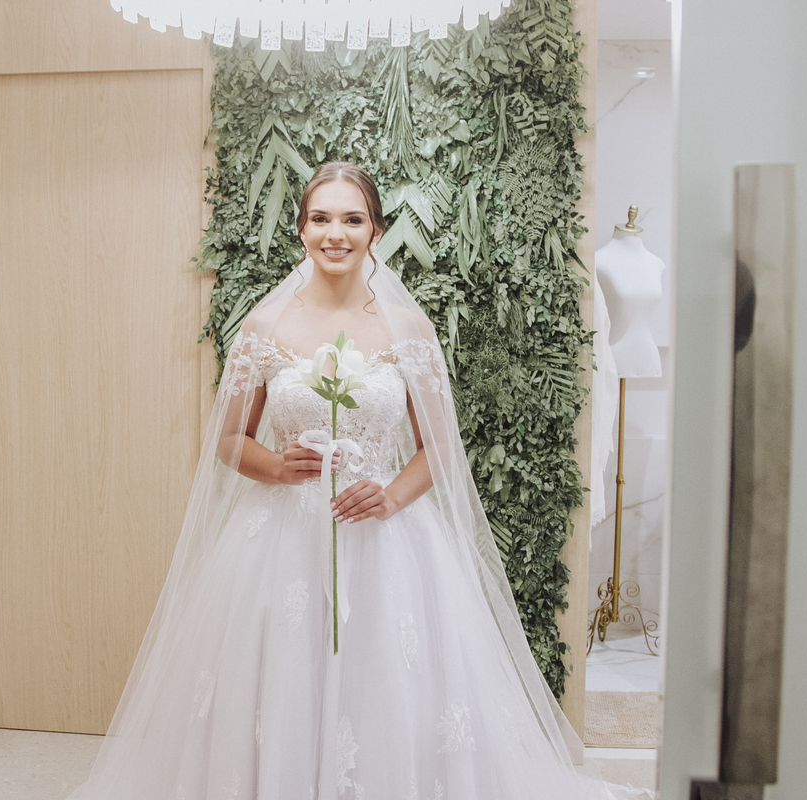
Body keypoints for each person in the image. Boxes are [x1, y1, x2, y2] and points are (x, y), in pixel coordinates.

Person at [68, 162, 648, 800]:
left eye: (352, 219)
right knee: (283, 678)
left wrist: (391, 494)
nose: (335, 233)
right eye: (321, 218)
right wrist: (278, 466)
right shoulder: (264, 328)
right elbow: (229, 440)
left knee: (384, 683)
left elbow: (439, 446)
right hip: (280, 540)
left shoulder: (408, 330)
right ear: (301, 229)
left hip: (387, 539)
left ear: (375, 230)